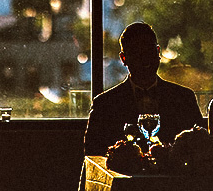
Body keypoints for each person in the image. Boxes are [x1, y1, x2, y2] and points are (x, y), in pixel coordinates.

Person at [83, 22, 204, 156]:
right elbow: (93, 154)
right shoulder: (105, 105)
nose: (144, 58)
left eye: (148, 50)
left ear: (158, 52)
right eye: (136, 52)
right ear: (123, 59)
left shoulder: (184, 98)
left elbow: (202, 146)